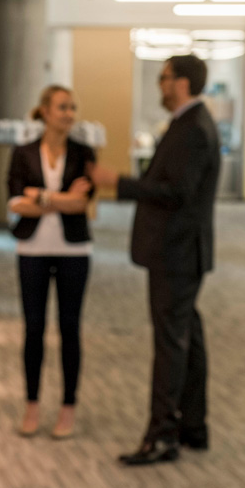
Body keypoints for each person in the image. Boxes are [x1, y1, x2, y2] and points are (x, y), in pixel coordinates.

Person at [88, 55, 220, 465]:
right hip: (181, 252)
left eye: (164, 78)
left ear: (181, 83)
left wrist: (118, 182)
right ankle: (193, 426)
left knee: (171, 344)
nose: (160, 85)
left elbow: (173, 192)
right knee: (187, 337)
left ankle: (163, 435)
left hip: (177, 252)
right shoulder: (189, 124)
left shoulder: (193, 129)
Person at [6, 85, 95, 438]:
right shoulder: (23, 152)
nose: (69, 114)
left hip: (74, 249)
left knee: (70, 329)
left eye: (72, 108)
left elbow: (81, 204)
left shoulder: (84, 152)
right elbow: (14, 204)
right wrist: (62, 198)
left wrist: (40, 196)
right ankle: (32, 405)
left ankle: (68, 407)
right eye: (62, 107)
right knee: (34, 329)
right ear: (44, 111)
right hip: (32, 249)